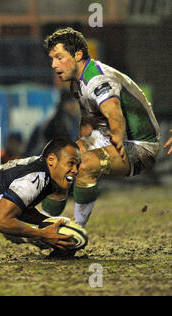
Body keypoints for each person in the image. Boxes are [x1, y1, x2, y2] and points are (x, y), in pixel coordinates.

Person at [42, 27, 161, 227]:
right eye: (52, 59)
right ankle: (42, 226)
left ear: (78, 54)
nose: (54, 64)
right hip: (106, 137)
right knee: (60, 162)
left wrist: (115, 135)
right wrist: (78, 147)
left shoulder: (97, 79)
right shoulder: (77, 81)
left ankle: (75, 233)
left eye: (59, 57)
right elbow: (88, 121)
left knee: (85, 165)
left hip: (140, 146)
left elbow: (113, 111)